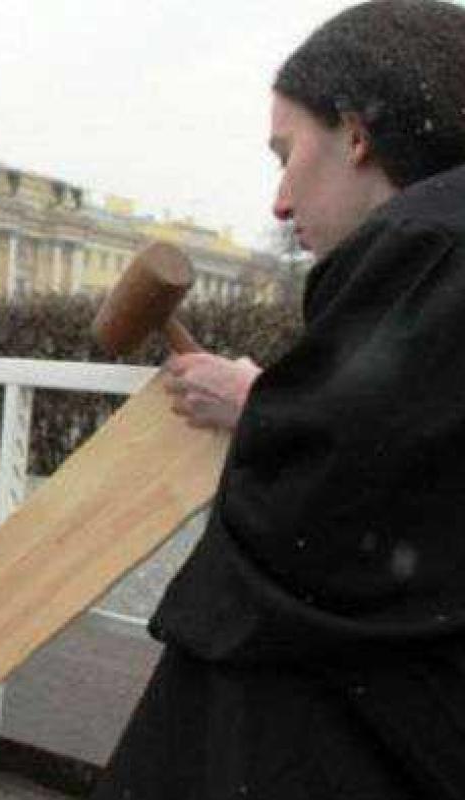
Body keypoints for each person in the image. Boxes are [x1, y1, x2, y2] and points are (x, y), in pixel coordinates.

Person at [96, 2, 465, 798]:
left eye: (286, 151)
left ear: (356, 134)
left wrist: (277, 417)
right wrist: (283, 402)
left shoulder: (427, 245)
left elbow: (322, 528)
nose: (279, 202)